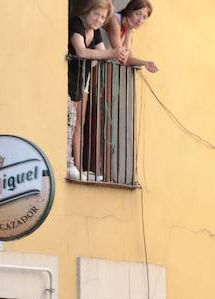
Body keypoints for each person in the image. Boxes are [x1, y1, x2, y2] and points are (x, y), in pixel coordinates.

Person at [68, 0, 125, 182]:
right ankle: (69, 164)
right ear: (87, 11)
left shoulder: (97, 32)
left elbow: (104, 54)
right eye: (96, 15)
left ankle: (78, 167)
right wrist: (113, 53)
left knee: (79, 122)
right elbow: (81, 51)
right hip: (68, 79)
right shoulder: (76, 23)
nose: (99, 20)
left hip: (81, 81)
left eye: (103, 17)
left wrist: (120, 53)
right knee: (69, 121)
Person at [106, 0, 159, 73]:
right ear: (129, 11)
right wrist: (128, 32)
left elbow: (128, 59)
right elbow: (122, 58)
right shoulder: (115, 21)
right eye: (137, 14)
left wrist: (145, 63)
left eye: (144, 17)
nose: (140, 20)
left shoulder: (128, 27)